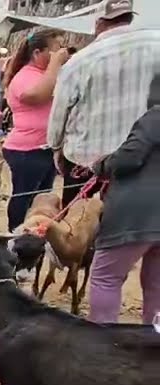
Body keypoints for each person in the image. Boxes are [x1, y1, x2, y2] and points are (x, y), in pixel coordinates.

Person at [48, 0, 160, 206]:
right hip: (142, 161)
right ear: (129, 18)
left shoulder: (79, 61)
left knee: (77, 229)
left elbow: (59, 113)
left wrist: (55, 147)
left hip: (86, 164)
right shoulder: (157, 44)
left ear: (99, 23)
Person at [88, 73, 159, 325]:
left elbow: (129, 158)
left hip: (136, 214)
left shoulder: (155, 117)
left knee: (106, 277)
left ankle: (106, 347)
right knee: (156, 286)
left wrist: (103, 164)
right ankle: (154, 346)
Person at [0, 29, 68, 232]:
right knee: (24, 197)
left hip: (44, 148)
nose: (60, 53)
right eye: (55, 49)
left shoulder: (46, 75)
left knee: (41, 199)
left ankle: (32, 238)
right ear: (37, 53)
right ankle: (15, 235)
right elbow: (37, 95)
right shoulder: (25, 76)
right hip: (27, 150)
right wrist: (56, 64)